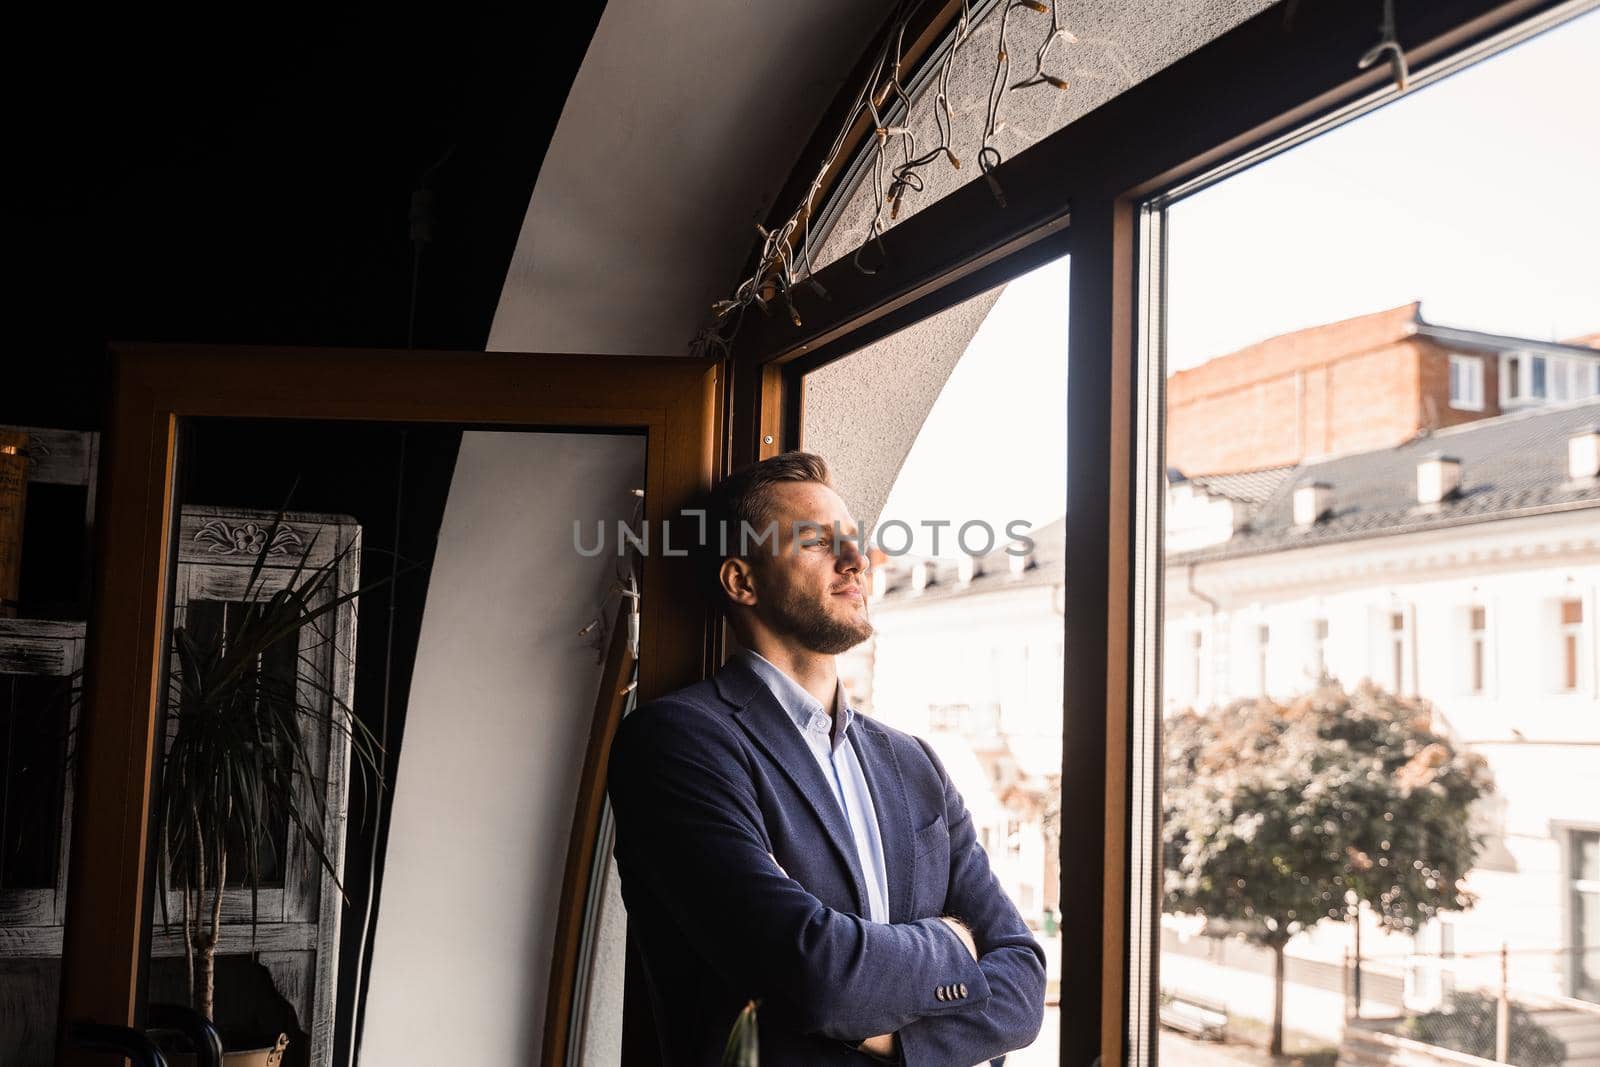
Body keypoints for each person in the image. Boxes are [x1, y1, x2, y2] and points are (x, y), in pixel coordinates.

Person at [606, 452, 1046, 1065]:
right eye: (817, 542)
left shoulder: (915, 763)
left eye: (854, 541)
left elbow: (1023, 986)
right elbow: (818, 975)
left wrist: (898, 1040)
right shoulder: (677, 743)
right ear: (742, 581)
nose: (857, 561)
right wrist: (953, 941)